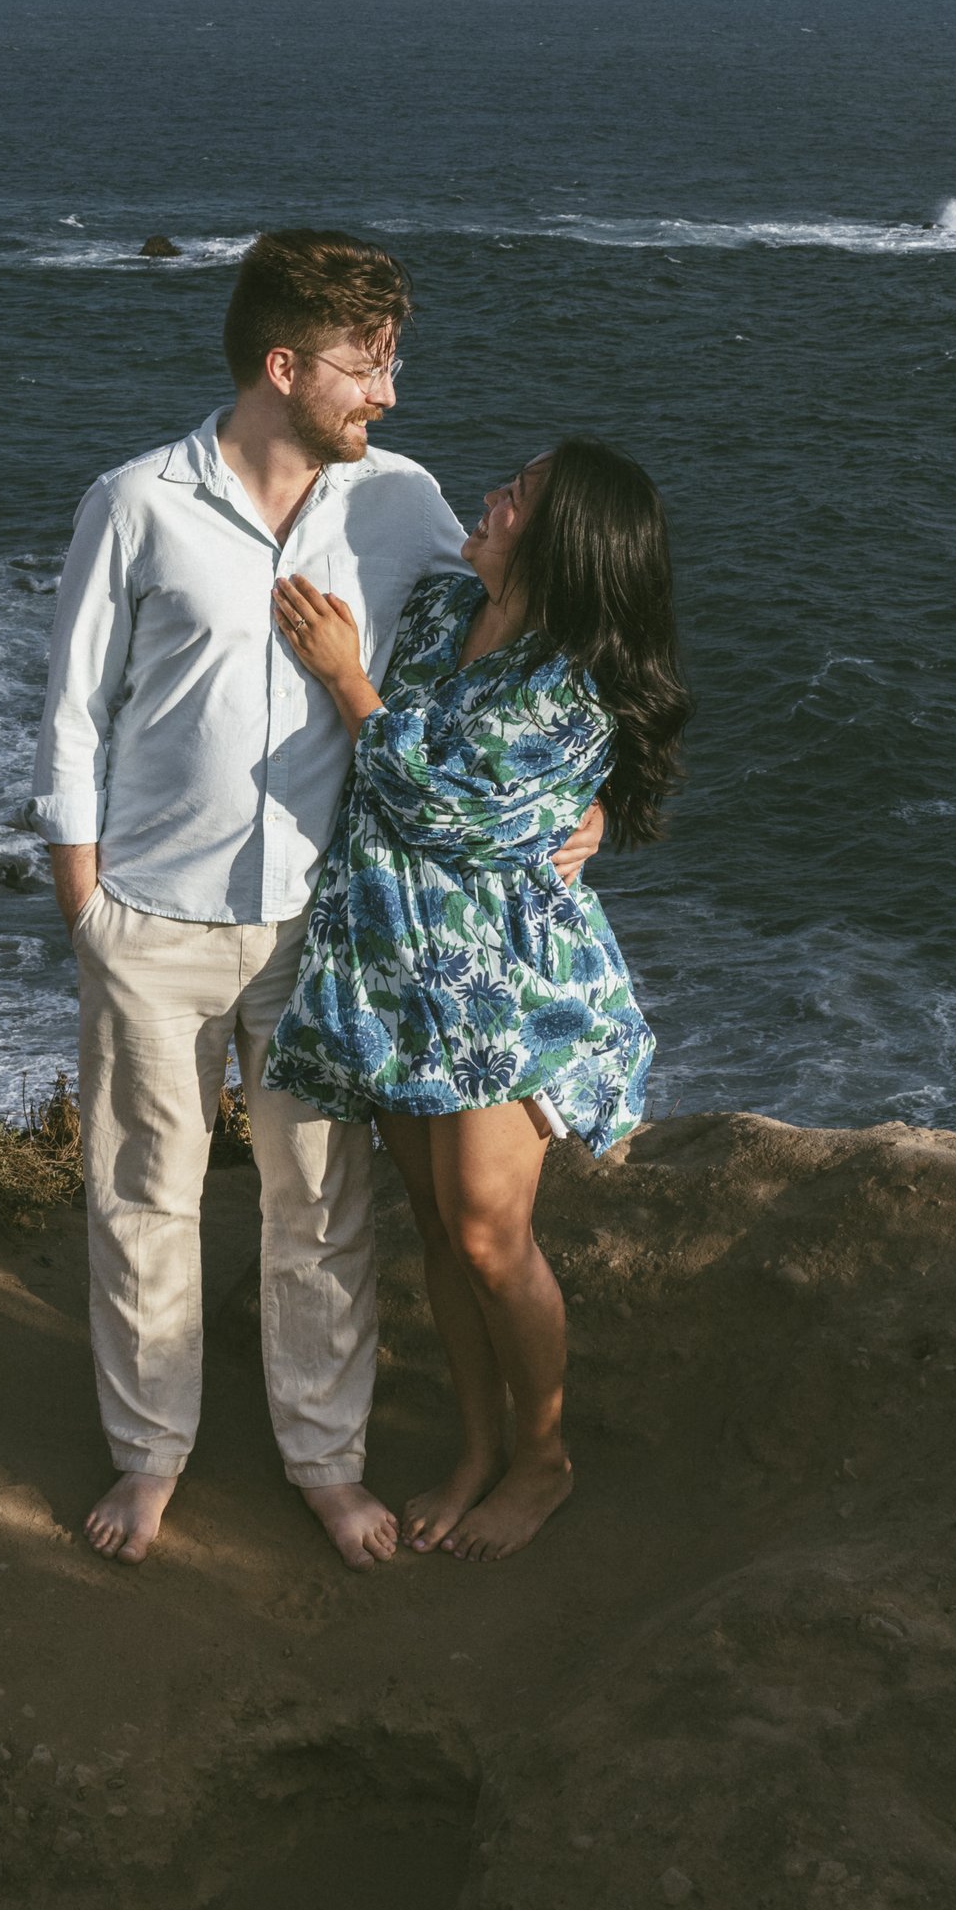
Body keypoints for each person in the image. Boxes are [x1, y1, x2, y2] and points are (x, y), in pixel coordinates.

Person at [32, 230, 602, 1570]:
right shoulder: (136, 502)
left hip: (323, 934)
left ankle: (324, 1461)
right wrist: (86, 907)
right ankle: (150, 1452)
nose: (388, 392)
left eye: (392, 362)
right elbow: (70, 715)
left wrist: (593, 803)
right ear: (284, 366)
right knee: (142, 1197)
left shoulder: (401, 502)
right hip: (151, 921)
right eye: (366, 364)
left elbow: (520, 654)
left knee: (320, 1209)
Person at [266, 438, 686, 1558]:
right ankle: (474, 1447)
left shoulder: (569, 688)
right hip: (398, 978)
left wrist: (345, 680)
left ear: (566, 545)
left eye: (520, 499)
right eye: (511, 484)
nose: (493, 498)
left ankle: (542, 1459)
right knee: (444, 1235)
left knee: (493, 1237)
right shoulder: (445, 608)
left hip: (505, 995)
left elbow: (430, 800)